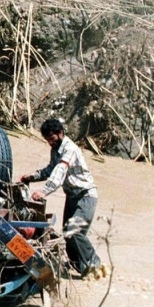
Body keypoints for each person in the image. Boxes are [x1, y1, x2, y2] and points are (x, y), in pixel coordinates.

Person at [20, 118, 103, 277]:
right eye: (47, 140)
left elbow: (59, 171)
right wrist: (31, 177)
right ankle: (78, 266)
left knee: (74, 230)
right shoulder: (55, 150)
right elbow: (50, 169)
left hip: (86, 195)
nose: (50, 143)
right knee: (67, 232)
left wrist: (45, 191)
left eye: (52, 139)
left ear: (61, 133)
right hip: (72, 196)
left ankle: (95, 266)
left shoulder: (70, 149)